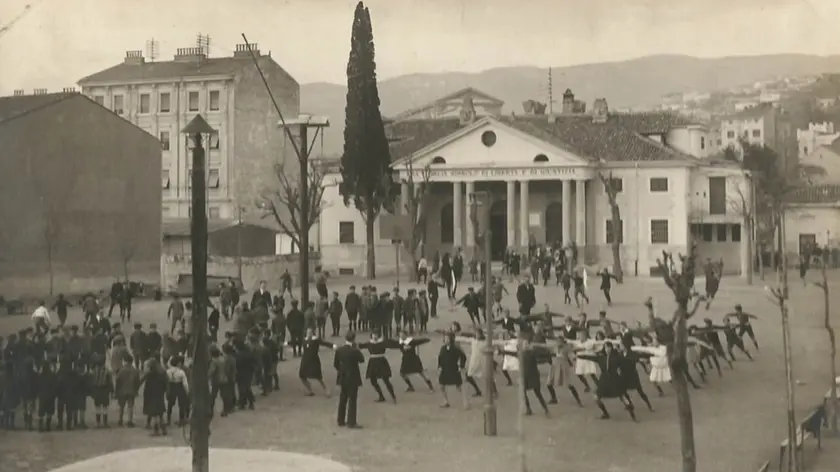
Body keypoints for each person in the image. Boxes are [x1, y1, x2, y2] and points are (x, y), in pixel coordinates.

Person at [333, 331, 365, 429]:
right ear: (353, 339)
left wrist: (341, 371)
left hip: (343, 376)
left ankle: (340, 420)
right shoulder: (354, 351)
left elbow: (336, 364)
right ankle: (351, 422)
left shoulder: (340, 350)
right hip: (352, 376)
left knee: (343, 398)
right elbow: (362, 360)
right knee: (352, 400)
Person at [437, 331, 468, 409]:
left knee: (459, 387)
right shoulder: (443, 348)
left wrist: (461, 366)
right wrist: (439, 367)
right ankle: (446, 401)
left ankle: (465, 401)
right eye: (445, 338)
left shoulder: (455, 348)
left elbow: (463, 357)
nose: (445, 339)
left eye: (447, 338)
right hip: (445, 369)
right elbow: (440, 358)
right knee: (441, 386)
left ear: (451, 339)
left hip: (453, 369)